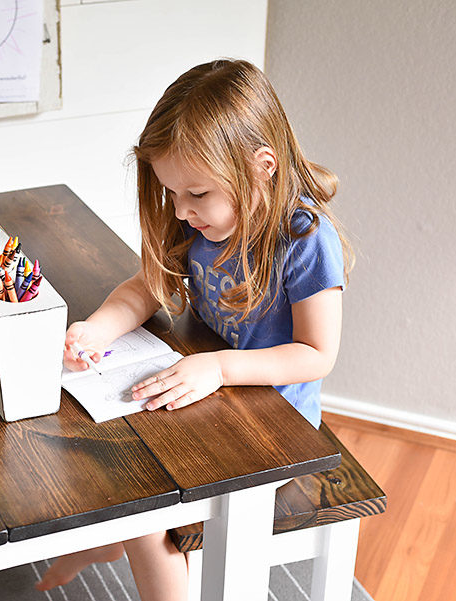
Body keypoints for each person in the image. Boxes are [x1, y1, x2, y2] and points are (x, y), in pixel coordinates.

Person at [35, 58, 353, 600]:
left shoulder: (304, 239)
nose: (181, 211)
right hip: (207, 393)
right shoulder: (199, 220)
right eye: (172, 194)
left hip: (273, 427)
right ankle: (100, 543)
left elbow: (316, 354)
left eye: (197, 194)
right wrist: (96, 330)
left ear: (262, 167)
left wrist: (221, 367)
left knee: (143, 515)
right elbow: (145, 288)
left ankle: (104, 545)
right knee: (105, 455)